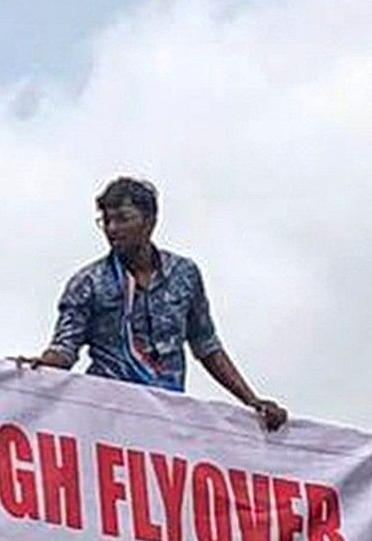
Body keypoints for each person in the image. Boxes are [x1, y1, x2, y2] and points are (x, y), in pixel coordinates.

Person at [18, 176, 286, 429]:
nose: (112, 229)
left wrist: (251, 400)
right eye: (106, 221)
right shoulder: (87, 282)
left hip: (167, 418)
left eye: (122, 219)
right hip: (106, 416)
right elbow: (64, 350)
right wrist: (29, 371)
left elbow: (206, 345)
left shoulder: (185, 274)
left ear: (150, 221)